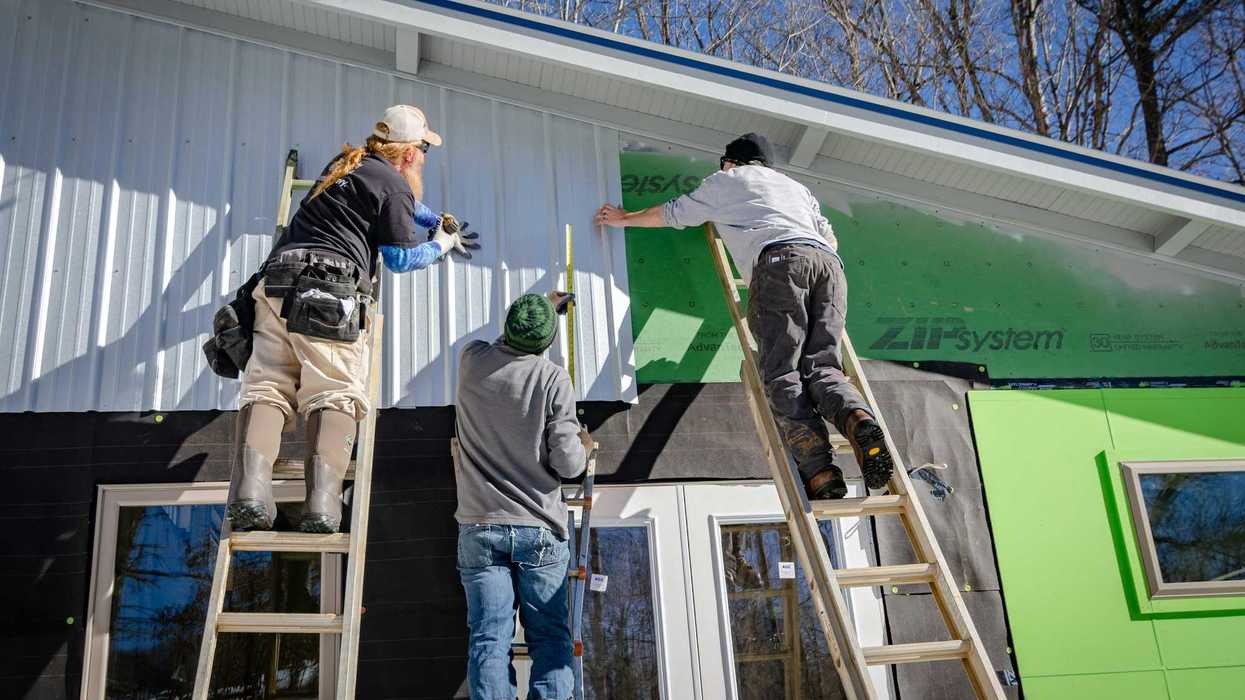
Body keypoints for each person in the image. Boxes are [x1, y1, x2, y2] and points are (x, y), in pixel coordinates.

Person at [594, 133, 893, 500]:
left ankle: (821, 474)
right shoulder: (797, 188)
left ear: (730, 162)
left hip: (780, 264)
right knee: (824, 367)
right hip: (830, 268)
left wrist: (624, 219)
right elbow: (830, 241)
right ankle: (857, 418)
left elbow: (675, 213)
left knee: (782, 371)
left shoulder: (728, 180)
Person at [226, 104, 481, 534]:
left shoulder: (346, 165)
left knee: (267, 386)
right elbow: (399, 258)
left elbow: (398, 202)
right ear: (408, 155)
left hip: (276, 282)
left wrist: (434, 218)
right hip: (328, 293)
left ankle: (250, 493)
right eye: (423, 151)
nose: (424, 159)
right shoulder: (395, 187)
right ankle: (322, 506)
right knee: (335, 391)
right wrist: (440, 243)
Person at [454, 292, 593, 700]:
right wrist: (583, 446)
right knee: (550, 641)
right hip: (539, 531)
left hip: (481, 526)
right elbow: (569, 465)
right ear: (546, 341)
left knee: (488, 639)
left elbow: (502, 345)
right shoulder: (552, 378)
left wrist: (541, 310)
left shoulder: (471, 361)